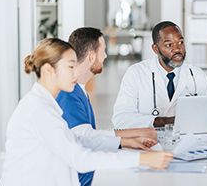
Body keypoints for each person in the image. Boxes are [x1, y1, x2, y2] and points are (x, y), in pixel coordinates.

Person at [0, 38, 173, 186]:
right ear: (48, 70)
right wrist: (142, 160)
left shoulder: (46, 105)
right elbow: (80, 159)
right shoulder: (38, 110)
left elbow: (79, 139)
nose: (77, 73)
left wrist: (124, 142)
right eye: (70, 67)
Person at [56, 27, 158, 186]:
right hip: (81, 179)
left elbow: (89, 135)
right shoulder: (69, 93)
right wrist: (129, 143)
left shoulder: (79, 89)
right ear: (91, 57)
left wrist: (129, 140)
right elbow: (85, 139)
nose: (105, 56)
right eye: (103, 51)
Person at [112, 21, 207, 129]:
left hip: (187, 140)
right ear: (155, 49)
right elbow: (120, 119)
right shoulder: (136, 74)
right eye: (169, 45)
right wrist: (160, 121)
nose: (178, 49)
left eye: (181, 42)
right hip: (148, 141)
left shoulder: (197, 76)